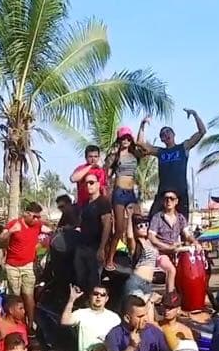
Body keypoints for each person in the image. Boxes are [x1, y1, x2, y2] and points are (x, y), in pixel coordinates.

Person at [139, 109, 205, 218]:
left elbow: (202, 132)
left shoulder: (183, 147)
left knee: (183, 224)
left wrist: (195, 114)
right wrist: (142, 125)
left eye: (168, 132)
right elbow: (141, 143)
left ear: (174, 134)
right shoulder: (160, 152)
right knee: (152, 219)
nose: (166, 134)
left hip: (180, 192)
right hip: (163, 192)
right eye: (163, 134)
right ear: (161, 139)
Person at [103, 127, 145, 271]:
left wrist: (142, 126)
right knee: (119, 229)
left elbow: (142, 145)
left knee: (139, 226)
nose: (126, 141)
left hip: (131, 193)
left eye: (128, 138)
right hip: (119, 193)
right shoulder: (116, 156)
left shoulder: (135, 154)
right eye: (123, 139)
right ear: (119, 140)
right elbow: (105, 173)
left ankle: (137, 259)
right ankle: (109, 259)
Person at [1, 202, 46, 321]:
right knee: (14, 296)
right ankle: (16, 322)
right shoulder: (14, 224)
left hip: (28, 265)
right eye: (34, 216)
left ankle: (30, 323)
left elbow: (50, 231)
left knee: (28, 294)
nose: (36, 219)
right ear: (26, 214)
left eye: (38, 217)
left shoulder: (38, 225)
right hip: (12, 266)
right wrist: (11, 231)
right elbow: (1, 238)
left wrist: (44, 242)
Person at [61, 284, 122, 351]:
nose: (98, 296)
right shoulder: (81, 313)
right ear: (90, 296)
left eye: (102, 295)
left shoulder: (114, 318)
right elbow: (65, 321)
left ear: (106, 299)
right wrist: (71, 299)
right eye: (95, 294)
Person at [75, 168, 113, 290]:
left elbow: (107, 225)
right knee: (80, 280)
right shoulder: (85, 203)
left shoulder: (103, 202)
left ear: (98, 184)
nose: (88, 185)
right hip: (82, 247)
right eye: (86, 183)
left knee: (94, 281)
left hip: (95, 248)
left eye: (91, 182)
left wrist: (102, 248)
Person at [147, 191, 187, 293]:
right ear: (162, 201)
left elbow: (188, 234)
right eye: (166, 198)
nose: (169, 201)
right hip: (160, 254)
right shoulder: (157, 217)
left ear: (176, 201)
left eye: (172, 198)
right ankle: (170, 299)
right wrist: (166, 247)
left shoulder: (181, 218)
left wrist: (195, 242)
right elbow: (151, 237)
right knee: (171, 270)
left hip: (176, 253)